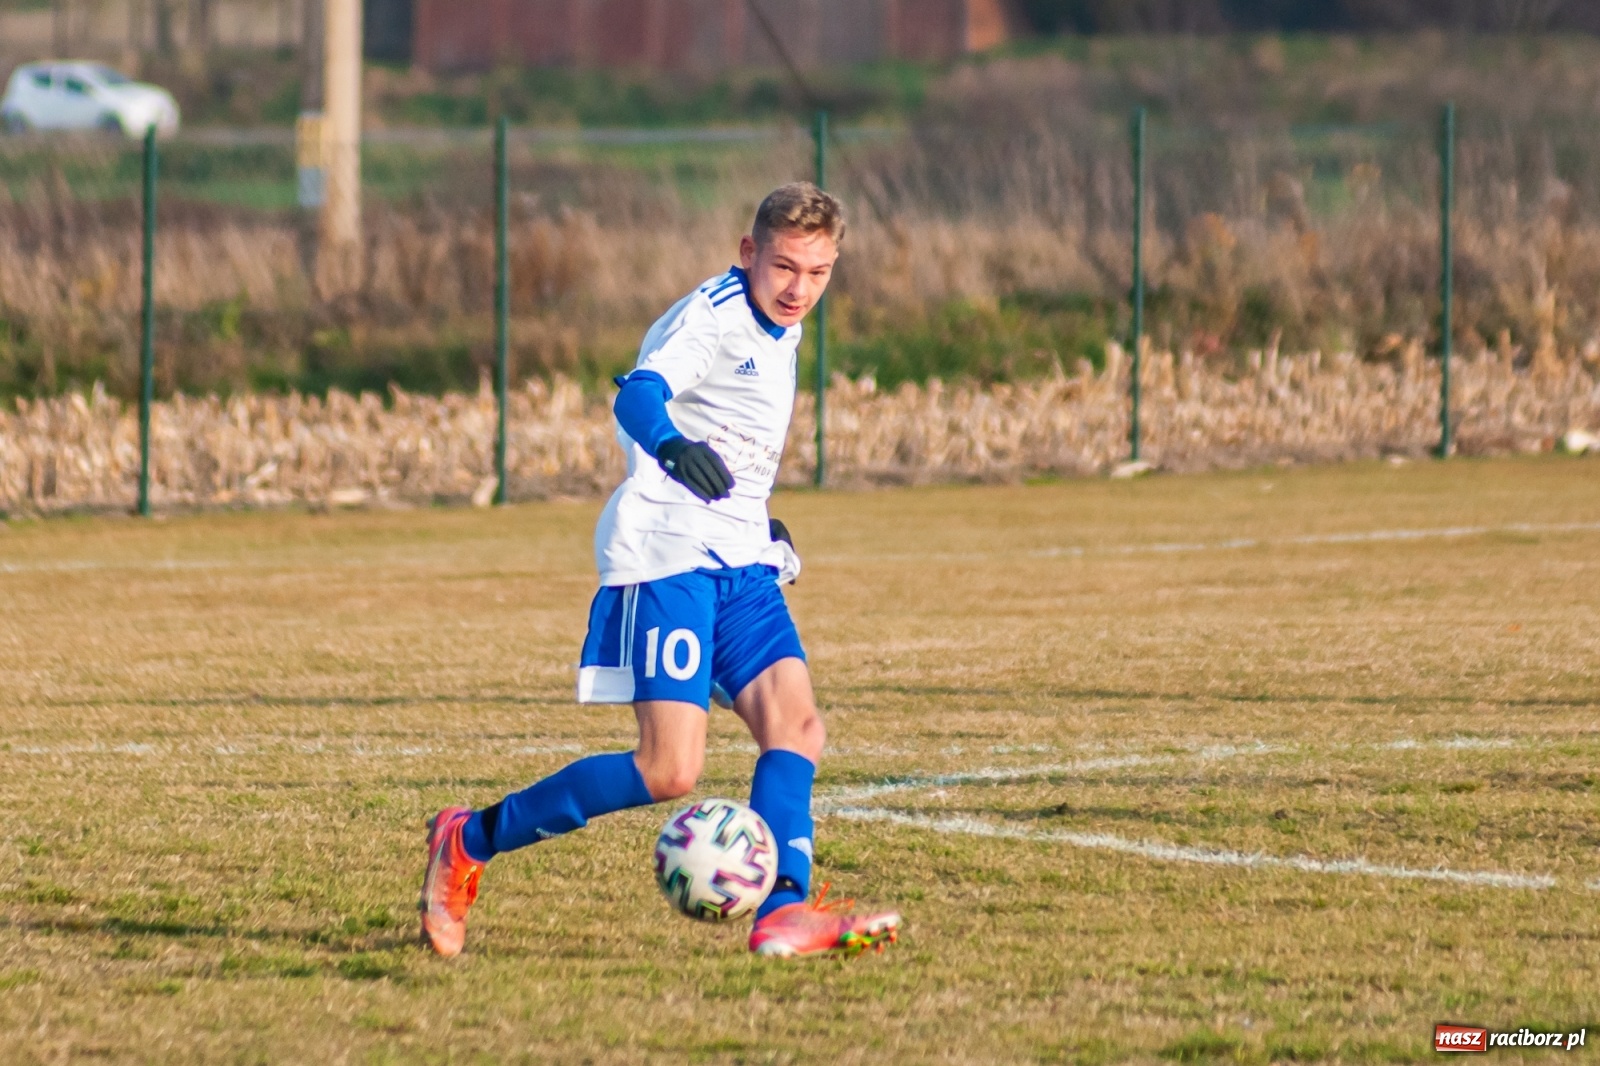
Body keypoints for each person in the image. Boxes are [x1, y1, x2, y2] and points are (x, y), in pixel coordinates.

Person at [418, 182, 901, 959]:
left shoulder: (784, 325)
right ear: (748, 252)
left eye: (818, 273)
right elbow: (640, 395)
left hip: (741, 560)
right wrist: (671, 447)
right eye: (784, 267)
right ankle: (468, 838)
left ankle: (784, 911)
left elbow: (737, 435)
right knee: (669, 769)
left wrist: (754, 516)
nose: (799, 289)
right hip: (669, 554)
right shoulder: (712, 315)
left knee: (799, 728)